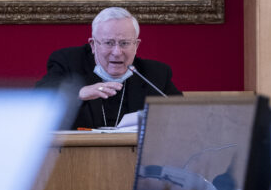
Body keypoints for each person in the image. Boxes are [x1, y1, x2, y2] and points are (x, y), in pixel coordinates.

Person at [36, 7, 182, 129]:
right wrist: (79, 92)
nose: (117, 52)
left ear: (136, 46)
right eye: (109, 43)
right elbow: (41, 95)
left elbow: (183, 114)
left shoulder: (155, 74)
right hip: (79, 158)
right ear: (93, 45)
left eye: (124, 43)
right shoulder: (69, 62)